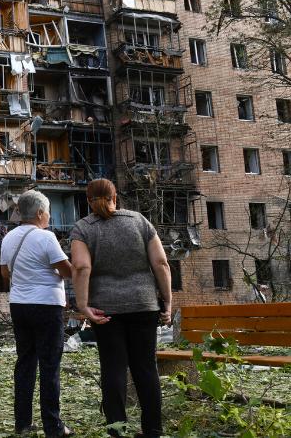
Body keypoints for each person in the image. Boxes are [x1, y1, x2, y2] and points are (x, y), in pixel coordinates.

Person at [69, 179, 172, 438]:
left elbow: (81, 268)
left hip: (106, 309)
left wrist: (82, 305)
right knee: (146, 368)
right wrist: (167, 301)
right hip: (144, 304)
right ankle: (153, 431)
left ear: (87, 199)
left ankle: (117, 432)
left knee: (113, 368)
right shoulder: (139, 221)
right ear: (116, 196)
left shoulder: (83, 228)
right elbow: (161, 263)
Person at [0, 190, 74, 437]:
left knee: (25, 362)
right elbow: (67, 271)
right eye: (49, 212)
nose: (50, 217)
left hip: (19, 305)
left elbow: (4, 274)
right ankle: (53, 426)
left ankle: (22, 422)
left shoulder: (9, 238)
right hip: (46, 305)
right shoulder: (46, 237)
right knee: (50, 365)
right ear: (41, 213)